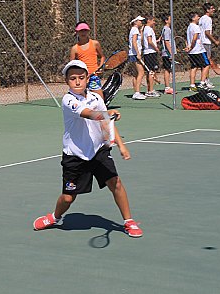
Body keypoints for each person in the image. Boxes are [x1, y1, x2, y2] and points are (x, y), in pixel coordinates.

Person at [32, 59, 142, 238]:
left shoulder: (96, 98)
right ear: (67, 81)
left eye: (81, 78)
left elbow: (107, 123)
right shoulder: (68, 100)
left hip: (98, 150)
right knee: (68, 197)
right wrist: (107, 114)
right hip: (75, 156)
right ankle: (54, 217)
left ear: (87, 79)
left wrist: (121, 145)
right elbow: (89, 114)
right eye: (73, 78)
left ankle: (128, 221)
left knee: (116, 183)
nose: (77, 81)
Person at [69, 21, 105, 100]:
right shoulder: (74, 48)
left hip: (94, 77)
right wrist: (79, 76)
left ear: (88, 31)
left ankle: (102, 112)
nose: (83, 32)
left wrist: (100, 67)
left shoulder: (95, 43)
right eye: (81, 30)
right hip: (81, 79)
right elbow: (71, 66)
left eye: (85, 30)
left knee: (100, 100)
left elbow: (102, 57)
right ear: (77, 32)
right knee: (82, 102)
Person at [185, 12, 211, 91]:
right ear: (193, 18)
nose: (199, 18)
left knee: (194, 67)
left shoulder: (189, 27)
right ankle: (202, 83)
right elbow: (194, 38)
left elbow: (188, 39)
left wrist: (188, 47)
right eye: (197, 17)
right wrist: (191, 47)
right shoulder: (196, 27)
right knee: (206, 65)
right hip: (198, 50)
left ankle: (192, 85)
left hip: (192, 52)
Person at [199, 2, 220, 87]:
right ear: (207, 10)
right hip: (206, 43)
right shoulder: (208, 19)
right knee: (206, 63)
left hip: (201, 43)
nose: (213, 10)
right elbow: (207, 33)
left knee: (204, 63)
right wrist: (215, 41)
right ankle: (205, 81)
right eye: (212, 8)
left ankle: (205, 80)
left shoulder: (201, 19)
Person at [141, 16, 160, 97]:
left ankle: (150, 89)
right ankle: (151, 91)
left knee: (150, 71)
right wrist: (156, 48)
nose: (154, 22)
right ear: (149, 21)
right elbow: (149, 41)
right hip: (150, 53)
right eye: (153, 21)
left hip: (148, 52)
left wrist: (156, 41)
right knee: (151, 71)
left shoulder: (145, 29)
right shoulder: (149, 29)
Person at [128, 16, 146, 100]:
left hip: (133, 54)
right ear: (135, 22)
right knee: (141, 72)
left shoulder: (135, 30)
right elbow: (134, 42)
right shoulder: (134, 30)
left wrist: (141, 31)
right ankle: (137, 92)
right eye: (140, 21)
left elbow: (140, 40)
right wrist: (138, 54)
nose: (142, 22)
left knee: (135, 74)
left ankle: (136, 92)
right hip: (135, 54)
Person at [158, 14, 175, 94]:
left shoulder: (165, 29)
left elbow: (161, 38)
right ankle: (167, 88)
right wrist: (171, 53)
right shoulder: (167, 29)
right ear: (166, 21)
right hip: (167, 54)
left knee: (168, 69)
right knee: (167, 70)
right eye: (170, 19)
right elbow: (166, 42)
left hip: (167, 53)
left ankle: (167, 87)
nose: (172, 20)